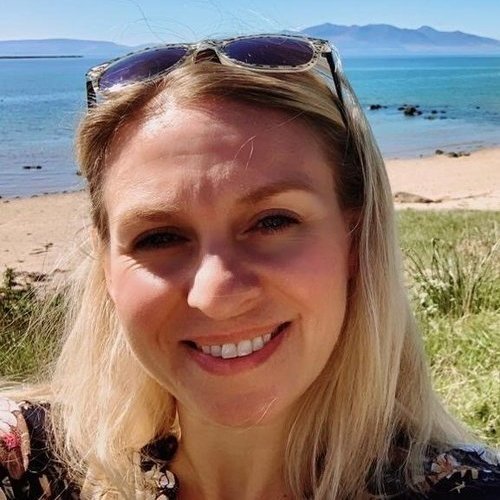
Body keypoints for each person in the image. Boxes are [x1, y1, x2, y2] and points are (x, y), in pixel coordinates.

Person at [0, 34, 499, 500]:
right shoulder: (24, 462)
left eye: (272, 221)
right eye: (159, 237)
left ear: (356, 240)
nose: (216, 295)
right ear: (107, 265)